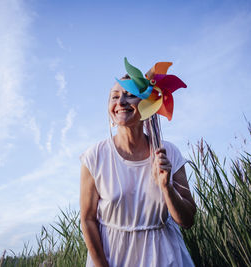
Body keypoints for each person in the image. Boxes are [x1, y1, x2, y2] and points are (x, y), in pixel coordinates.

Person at [80, 77, 196, 267]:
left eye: (130, 95)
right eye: (114, 97)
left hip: (165, 256)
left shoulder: (170, 152)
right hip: (114, 257)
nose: (120, 102)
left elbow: (187, 221)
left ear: (147, 102)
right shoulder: (94, 157)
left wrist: (167, 187)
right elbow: (88, 219)